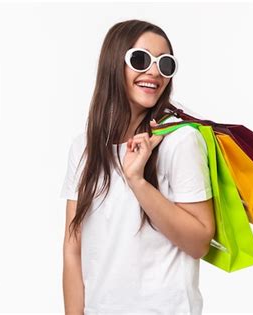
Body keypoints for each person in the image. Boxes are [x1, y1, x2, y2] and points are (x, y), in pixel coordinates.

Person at [61, 19, 214, 315]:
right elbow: (72, 249)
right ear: (112, 63)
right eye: (141, 59)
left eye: (165, 64)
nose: (155, 72)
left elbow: (199, 243)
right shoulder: (84, 147)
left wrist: (138, 181)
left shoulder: (180, 140)